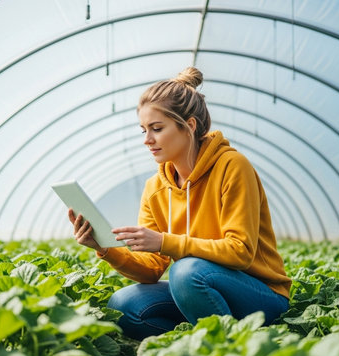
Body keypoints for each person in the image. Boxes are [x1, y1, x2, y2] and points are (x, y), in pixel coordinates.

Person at [68, 67, 291, 340]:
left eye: (157, 129)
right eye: (144, 130)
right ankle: (195, 343)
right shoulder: (155, 188)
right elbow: (151, 269)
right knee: (123, 306)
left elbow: (240, 251)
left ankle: (227, 350)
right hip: (199, 287)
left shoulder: (232, 166)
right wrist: (104, 248)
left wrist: (165, 241)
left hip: (261, 294)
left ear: (190, 125)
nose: (148, 140)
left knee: (186, 272)